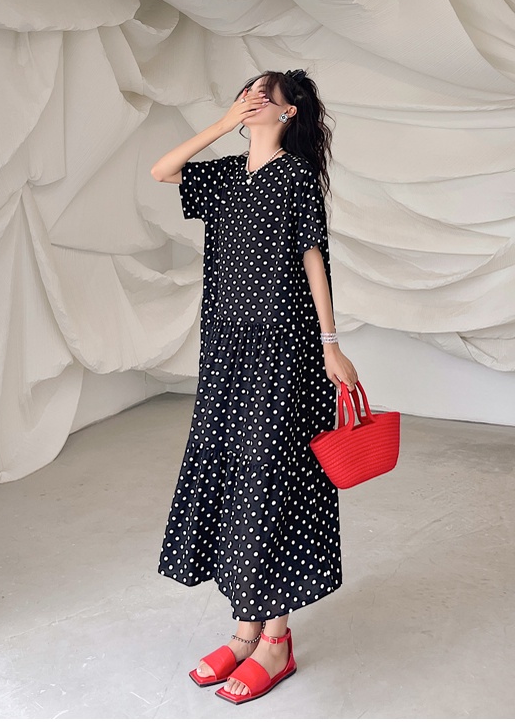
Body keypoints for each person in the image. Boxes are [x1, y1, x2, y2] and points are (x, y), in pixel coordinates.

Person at [150, 68, 359, 704]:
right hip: (226, 353)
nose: (252, 99)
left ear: (289, 112)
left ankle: (276, 640)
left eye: (265, 94)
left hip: (285, 351)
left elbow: (313, 259)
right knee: (233, 480)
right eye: (248, 91)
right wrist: (222, 124)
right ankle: (245, 631)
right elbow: (162, 170)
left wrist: (330, 344)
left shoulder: (296, 179)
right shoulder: (223, 176)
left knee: (271, 483)